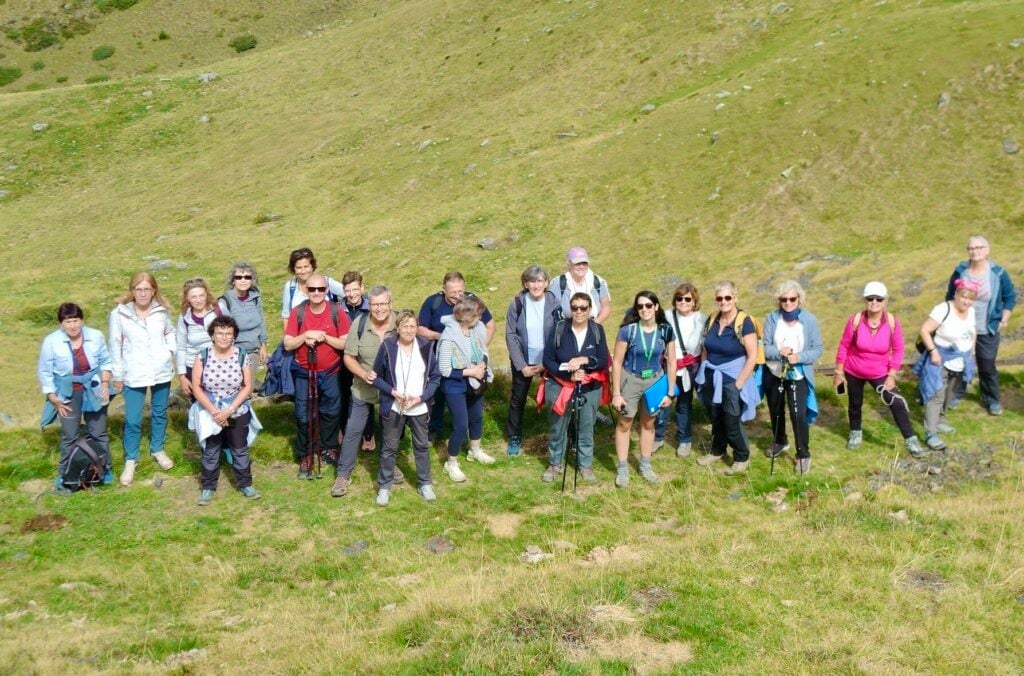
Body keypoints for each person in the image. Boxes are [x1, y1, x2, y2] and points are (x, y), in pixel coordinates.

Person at [833, 281, 925, 457]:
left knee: (896, 402)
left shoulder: (892, 322)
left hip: (880, 372)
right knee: (855, 403)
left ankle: (911, 440)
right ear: (865, 300)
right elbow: (844, 346)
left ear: (885, 300)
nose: (874, 302)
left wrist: (891, 375)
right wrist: (839, 372)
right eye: (870, 298)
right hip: (854, 370)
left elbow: (898, 350)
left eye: (878, 298)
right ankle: (855, 433)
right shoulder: (855, 320)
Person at [38, 303, 113, 493]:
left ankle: (103, 470)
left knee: (98, 433)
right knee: (69, 435)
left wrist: (105, 384)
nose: (72, 326)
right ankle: (65, 475)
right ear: (61, 323)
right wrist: (54, 398)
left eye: (75, 320)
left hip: (94, 389)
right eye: (68, 321)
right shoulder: (51, 341)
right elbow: (45, 372)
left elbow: (106, 361)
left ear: (82, 320)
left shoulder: (95, 336)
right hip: (66, 393)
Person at [109, 272, 177, 485]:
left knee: (159, 413)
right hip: (134, 373)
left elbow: (170, 333)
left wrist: (169, 352)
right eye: (138, 289)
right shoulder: (119, 314)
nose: (143, 293)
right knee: (132, 419)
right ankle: (131, 459)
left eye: (147, 289)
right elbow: (115, 344)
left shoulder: (161, 312)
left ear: (154, 291)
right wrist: (118, 375)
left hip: (160, 370)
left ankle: (158, 449)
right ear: (132, 291)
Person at [330, 286, 398, 498]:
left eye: (383, 304)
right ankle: (343, 474)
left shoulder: (400, 323)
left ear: (390, 304)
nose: (378, 309)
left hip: (392, 389)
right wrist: (361, 373)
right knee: (353, 431)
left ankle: (390, 467)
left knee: (391, 431)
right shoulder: (359, 324)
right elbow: (348, 357)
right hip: (363, 387)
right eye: (375, 304)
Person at [188, 316, 262, 505]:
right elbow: (196, 387)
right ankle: (207, 487)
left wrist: (229, 409)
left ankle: (245, 484)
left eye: (228, 334)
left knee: (239, 450)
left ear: (233, 336)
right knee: (211, 450)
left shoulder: (241, 355)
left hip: (236, 409)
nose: (223, 337)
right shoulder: (202, 355)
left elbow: (247, 386)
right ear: (212, 334)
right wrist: (214, 411)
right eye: (220, 333)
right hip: (209, 410)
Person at [283, 273, 350, 478]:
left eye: (321, 289)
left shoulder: (336, 311)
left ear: (327, 290)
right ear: (306, 290)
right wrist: (305, 336)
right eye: (312, 289)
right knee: (304, 415)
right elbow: (288, 343)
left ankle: (328, 447)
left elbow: (345, 343)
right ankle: (306, 454)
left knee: (331, 412)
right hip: (304, 372)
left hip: (331, 371)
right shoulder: (298, 312)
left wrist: (324, 337)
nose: (317, 293)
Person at [371, 311, 442, 505]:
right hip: (395, 406)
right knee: (389, 448)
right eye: (405, 326)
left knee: (421, 446)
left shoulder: (426, 347)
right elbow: (375, 377)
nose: (409, 330)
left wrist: (421, 398)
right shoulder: (387, 347)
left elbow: (435, 377)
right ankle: (384, 487)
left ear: (417, 328)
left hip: (418, 407)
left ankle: (424, 483)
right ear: (398, 328)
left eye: (412, 326)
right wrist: (393, 392)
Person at [540, 292, 610, 483]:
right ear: (570, 309)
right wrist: (567, 374)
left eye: (583, 308)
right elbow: (548, 360)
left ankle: (585, 465)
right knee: (557, 427)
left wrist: (586, 360)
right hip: (559, 386)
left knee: (586, 427)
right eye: (574, 307)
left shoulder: (597, 330)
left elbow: (603, 361)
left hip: (589, 388)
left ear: (590, 310)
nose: (578, 311)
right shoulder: (559, 328)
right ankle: (555, 464)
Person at [418, 271, 496, 440]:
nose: (457, 296)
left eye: (460, 291)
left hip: (469, 363)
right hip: (437, 358)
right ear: (443, 290)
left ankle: (465, 428)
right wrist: (444, 338)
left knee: (469, 392)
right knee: (437, 394)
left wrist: (479, 348)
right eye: (452, 292)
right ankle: (434, 428)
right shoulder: (433, 302)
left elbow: (490, 325)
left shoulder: (471, 301)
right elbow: (420, 329)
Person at [609, 291, 676, 487]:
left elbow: (672, 362)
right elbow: (617, 362)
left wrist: (670, 392)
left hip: (654, 382)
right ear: (636, 310)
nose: (644, 309)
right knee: (624, 424)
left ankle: (645, 464)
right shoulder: (627, 331)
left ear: (656, 307)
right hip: (630, 380)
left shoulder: (665, 330)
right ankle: (622, 468)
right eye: (640, 306)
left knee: (648, 424)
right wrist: (616, 393)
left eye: (648, 305)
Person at [945, 236, 1016, 416]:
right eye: (971, 248)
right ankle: (955, 393)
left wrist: (1004, 319)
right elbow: (950, 295)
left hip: (987, 328)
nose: (974, 251)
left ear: (987, 250)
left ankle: (991, 399)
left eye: (979, 247)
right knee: (960, 361)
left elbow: (1009, 297)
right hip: (963, 328)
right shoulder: (961, 270)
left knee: (987, 365)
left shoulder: (998, 273)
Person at [695, 281, 760, 475]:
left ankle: (741, 456)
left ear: (735, 298)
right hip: (712, 376)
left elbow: (753, 356)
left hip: (733, 377)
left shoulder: (744, 322)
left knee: (731, 418)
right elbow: (706, 346)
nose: (723, 301)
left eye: (727, 297)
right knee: (715, 416)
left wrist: (739, 383)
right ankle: (717, 450)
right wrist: (704, 369)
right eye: (719, 298)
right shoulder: (713, 319)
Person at [762, 280, 823, 474]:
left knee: (798, 414)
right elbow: (763, 346)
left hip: (798, 374)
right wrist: (779, 352)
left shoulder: (810, 320)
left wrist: (799, 357)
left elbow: (817, 349)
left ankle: (803, 455)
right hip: (774, 372)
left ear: (799, 299)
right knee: (776, 410)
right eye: (783, 299)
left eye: (792, 299)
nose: (788, 303)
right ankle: (780, 441)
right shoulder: (772, 318)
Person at [914, 279, 978, 451]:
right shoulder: (943, 309)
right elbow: (925, 330)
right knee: (936, 394)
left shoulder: (971, 312)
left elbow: (972, 332)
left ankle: (941, 419)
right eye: (964, 296)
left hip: (961, 361)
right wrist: (933, 351)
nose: (966, 301)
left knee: (950, 393)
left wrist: (971, 353)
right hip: (940, 358)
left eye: (970, 298)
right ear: (956, 294)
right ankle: (931, 433)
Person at [504, 264, 560, 456]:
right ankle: (514, 436)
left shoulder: (555, 303)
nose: (536, 285)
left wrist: (548, 363)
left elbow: (560, 334)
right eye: (532, 281)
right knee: (518, 399)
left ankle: (559, 435)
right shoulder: (517, 303)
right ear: (525, 283)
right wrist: (521, 366)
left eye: (540, 281)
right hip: (524, 360)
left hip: (549, 361)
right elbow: (510, 335)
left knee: (556, 399)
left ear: (546, 283)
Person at [438, 295, 495, 482]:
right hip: (455, 384)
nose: (481, 318)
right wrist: (470, 372)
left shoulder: (477, 329)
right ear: (466, 316)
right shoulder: (448, 337)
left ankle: (475, 450)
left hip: (476, 380)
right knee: (461, 425)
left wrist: (483, 366)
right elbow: (445, 369)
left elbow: (484, 350)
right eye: (478, 314)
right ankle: (451, 462)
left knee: (477, 418)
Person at [554, 247, 614, 426]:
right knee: (569, 372)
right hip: (567, 333)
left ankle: (591, 411)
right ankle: (567, 411)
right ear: (569, 264)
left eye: (584, 263)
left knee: (594, 370)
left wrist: (593, 326)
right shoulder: (559, 283)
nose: (581, 266)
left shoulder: (597, 281)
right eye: (577, 263)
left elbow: (606, 307)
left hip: (592, 332)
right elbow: (553, 309)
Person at [654, 282, 706, 458]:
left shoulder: (702, 319)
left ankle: (684, 439)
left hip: (689, 369)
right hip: (667, 366)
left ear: (694, 301)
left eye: (687, 299)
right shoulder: (666, 316)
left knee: (684, 404)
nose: (683, 301)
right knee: (663, 403)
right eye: (679, 298)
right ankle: (658, 436)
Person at [338, 271, 375, 451]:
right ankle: (344, 430)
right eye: (347, 290)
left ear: (362, 287)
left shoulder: (371, 307)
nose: (351, 294)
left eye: (355, 289)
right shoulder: (338, 308)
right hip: (344, 359)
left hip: (366, 359)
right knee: (344, 395)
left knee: (366, 396)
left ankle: (369, 434)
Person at [218, 262, 269, 371]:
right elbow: (224, 333)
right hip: (236, 353)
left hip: (255, 350)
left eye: (247, 277)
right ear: (233, 281)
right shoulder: (225, 302)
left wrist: (263, 345)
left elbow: (261, 321)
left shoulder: (255, 297)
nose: (243, 280)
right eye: (239, 277)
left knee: (277, 368)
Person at [280, 247, 345, 332]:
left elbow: (349, 293)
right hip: (300, 337)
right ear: (293, 269)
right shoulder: (290, 287)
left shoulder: (325, 281)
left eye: (306, 266)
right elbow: (286, 317)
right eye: (299, 267)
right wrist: (288, 341)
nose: (303, 271)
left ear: (312, 266)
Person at [176, 278, 218, 401]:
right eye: (194, 297)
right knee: (199, 405)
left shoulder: (217, 311)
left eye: (201, 295)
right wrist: (182, 376)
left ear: (207, 295)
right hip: (193, 367)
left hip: (218, 364)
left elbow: (231, 336)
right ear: (187, 298)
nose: (198, 300)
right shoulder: (184, 317)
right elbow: (181, 347)